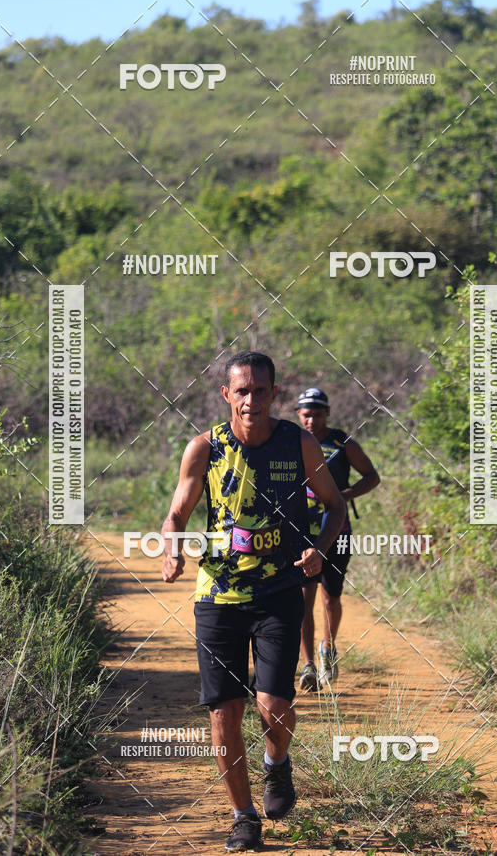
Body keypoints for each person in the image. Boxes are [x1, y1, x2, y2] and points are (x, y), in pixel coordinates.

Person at [161, 353, 345, 853]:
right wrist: (172, 548)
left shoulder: (300, 443)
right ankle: (244, 817)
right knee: (224, 711)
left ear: (274, 393)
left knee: (274, 706)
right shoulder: (204, 449)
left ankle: (276, 765)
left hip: (280, 591)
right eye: (241, 391)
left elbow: (335, 506)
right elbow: (176, 514)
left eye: (259, 391)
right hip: (219, 594)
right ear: (227, 395)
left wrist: (318, 548)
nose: (251, 400)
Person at [295, 388, 380, 690]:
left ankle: (328, 650)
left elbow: (372, 476)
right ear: (298, 414)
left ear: (327, 413)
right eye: (306, 414)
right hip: (301, 531)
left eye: (318, 414)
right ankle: (307, 665)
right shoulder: (291, 443)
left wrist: (346, 494)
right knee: (303, 598)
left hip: (337, 531)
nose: (312, 419)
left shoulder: (342, 443)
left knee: (331, 595)